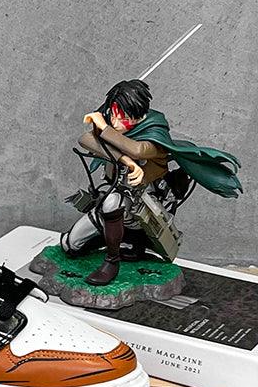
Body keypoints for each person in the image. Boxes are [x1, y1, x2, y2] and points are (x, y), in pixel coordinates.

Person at [61, 79, 241, 285]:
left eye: (125, 119)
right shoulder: (110, 120)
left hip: (144, 202)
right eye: (113, 115)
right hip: (113, 204)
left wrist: (104, 127)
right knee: (69, 245)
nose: (117, 123)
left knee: (112, 202)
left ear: (139, 116)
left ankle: (112, 262)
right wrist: (126, 160)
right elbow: (86, 139)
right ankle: (116, 239)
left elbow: (138, 150)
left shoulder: (154, 133)